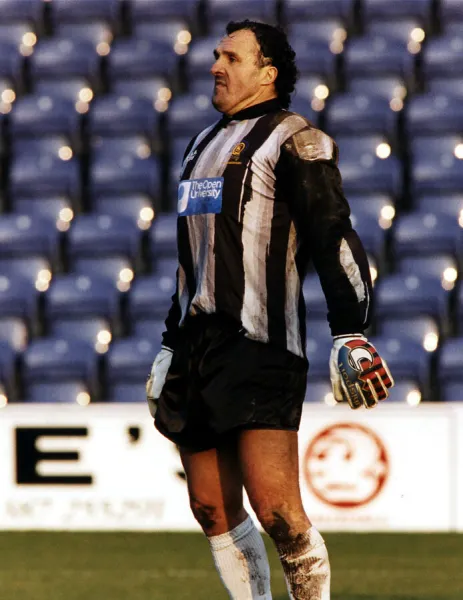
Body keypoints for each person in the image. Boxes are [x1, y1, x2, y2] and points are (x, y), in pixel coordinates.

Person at [146, 19, 394, 599]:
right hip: (194, 347)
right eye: (215, 55)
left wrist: (350, 331)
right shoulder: (198, 145)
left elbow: (334, 234)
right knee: (210, 508)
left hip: (259, 343)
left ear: (268, 73)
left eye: (232, 57)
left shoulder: (295, 138)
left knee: (277, 510)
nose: (216, 65)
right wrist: (166, 343)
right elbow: (191, 260)